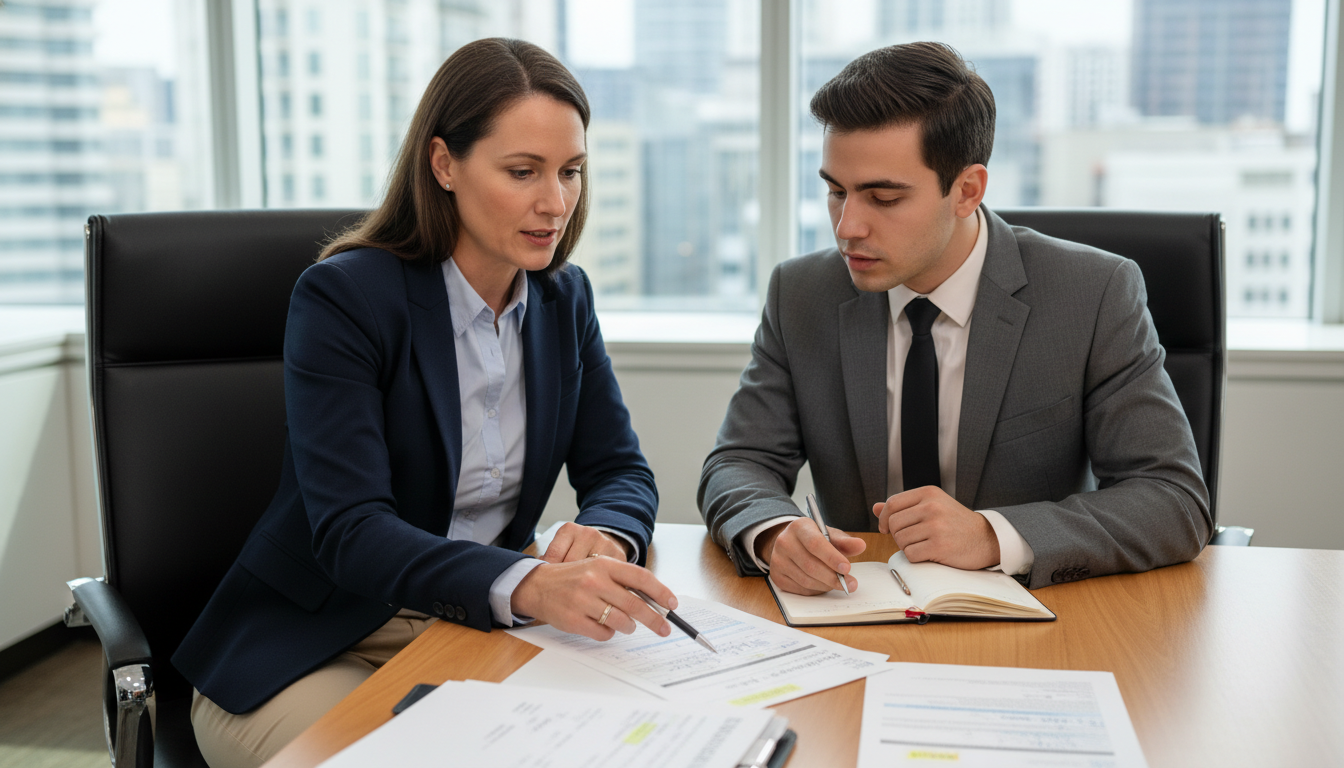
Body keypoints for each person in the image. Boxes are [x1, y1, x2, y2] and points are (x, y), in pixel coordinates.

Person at [173, 38, 676, 768]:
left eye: (570, 172)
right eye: (522, 172)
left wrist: (605, 532)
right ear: (444, 164)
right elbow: (350, 530)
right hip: (314, 639)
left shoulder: (564, 299)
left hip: (472, 622)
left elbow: (622, 471)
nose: (555, 202)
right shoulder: (347, 298)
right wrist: (530, 582)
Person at [699, 42, 1212, 597]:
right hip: (856, 614)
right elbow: (739, 461)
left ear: (967, 190)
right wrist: (775, 533)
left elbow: (1172, 498)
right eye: (835, 191)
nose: (847, 227)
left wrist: (995, 535)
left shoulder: (1092, 294)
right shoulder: (801, 293)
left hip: (1034, 625)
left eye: (883, 198)